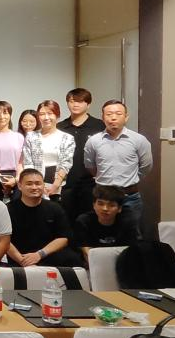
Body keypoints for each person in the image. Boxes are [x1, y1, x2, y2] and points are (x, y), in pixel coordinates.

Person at [83, 99, 153, 227]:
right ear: (103, 117)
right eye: (109, 114)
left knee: (132, 233)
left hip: (129, 196)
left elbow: (146, 166)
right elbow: (90, 166)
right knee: (101, 232)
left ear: (126, 117)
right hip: (103, 197)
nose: (113, 117)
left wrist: (132, 179)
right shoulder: (93, 141)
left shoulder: (139, 140)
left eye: (118, 114)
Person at [6, 169, 84, 267]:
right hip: (20, 257)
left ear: (43, 185)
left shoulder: (55, 208)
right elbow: (3, 240)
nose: (34, 187)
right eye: (29, 184)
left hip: (47, 255)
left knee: (74, 259)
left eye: (38, 183)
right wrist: (22, 261)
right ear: (20, 186)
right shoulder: (7, 210)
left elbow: (63, 238)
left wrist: (40, 254)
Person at [57, 88, 106, 222]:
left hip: (91, 183)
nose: (75, 105)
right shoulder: (60, 127)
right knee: (66, 220)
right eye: (72, 101)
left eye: (80, 101)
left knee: (90, 220)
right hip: (66, 183)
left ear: (88, 104)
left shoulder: (99, 126)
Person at [22, 100, 75, 202]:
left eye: (50, 113)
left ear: (57, 115)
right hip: (34, 185)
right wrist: (36, 185)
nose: (46, 117)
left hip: (57, 186)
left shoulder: (67, 138)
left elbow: (66, 163)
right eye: (42, 114)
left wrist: (55, 185)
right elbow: (28, 163)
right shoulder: (31, 136)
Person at [73, 185, 140, 260]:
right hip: (94, 260)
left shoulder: (128, 222)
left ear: (119, 209)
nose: (105, 209)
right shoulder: (84, 221)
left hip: (121, 260)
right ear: (94, 205)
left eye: (111, 205)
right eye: (100, 204)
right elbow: (86, 252)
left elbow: (130, 250)